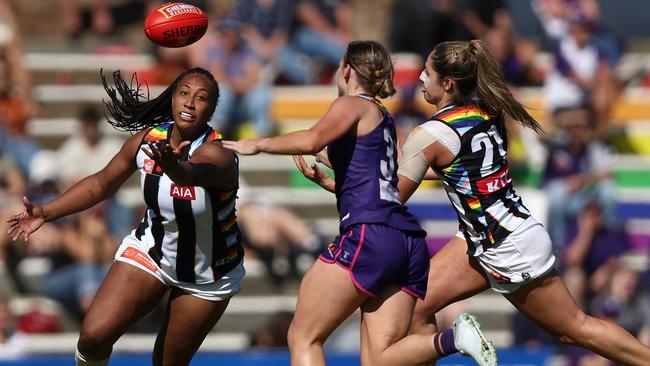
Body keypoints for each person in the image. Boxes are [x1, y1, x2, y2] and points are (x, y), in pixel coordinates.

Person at [223, 40, 496, 366]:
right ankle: (453, 339)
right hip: (406, 242)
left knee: (303, 336)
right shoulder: (383, 117)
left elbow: (312, 139)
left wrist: (257, 145)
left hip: (370, 234)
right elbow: (372, 175)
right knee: (379, 359)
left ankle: (455, 338)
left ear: (348, 69)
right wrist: (335, 184)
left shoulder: (352, 104)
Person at [388, 39, 650, 365]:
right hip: (485, 238)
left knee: (576, 329)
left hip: (506, 245)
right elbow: (466, 176)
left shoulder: (430, 134)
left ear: (448, 83)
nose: (421, 79)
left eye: (427, 73)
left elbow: (391, 198)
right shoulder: (485, 111)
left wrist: (345, 180)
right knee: (418, 304)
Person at [7, 67, 245, 366]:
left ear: (211, 108)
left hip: (208, 272)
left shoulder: (219, 154)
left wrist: (173, 166)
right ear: (172, 98)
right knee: (93, 337)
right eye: (184, 93)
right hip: (153, 252)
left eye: (201, 98)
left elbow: (191, 175)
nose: (189, 103)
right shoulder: (148, 140)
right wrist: (46, 211)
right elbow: (101, 183)